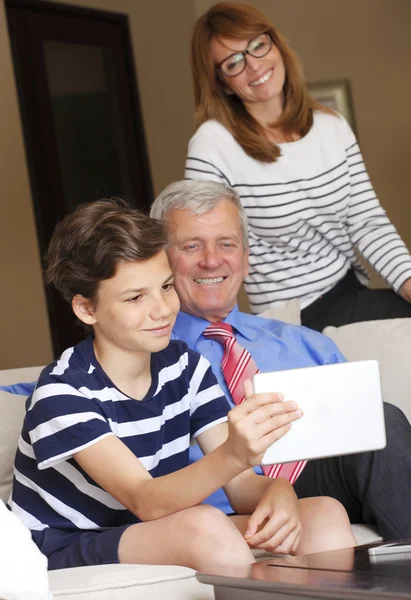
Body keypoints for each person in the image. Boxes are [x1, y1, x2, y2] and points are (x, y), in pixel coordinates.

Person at [10, 199, 355, 572]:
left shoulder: (184, 367)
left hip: (156, 529)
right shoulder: (62, 393)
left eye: (166, 286)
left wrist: (278, 491)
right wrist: (237, 453)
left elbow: (240, 489)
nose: (162, 309)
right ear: (86, 309)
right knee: (203, 524)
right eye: (135, 297)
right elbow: (146, 500)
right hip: (69, 545)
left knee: (323, 514)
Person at [151, 179, 411, 540]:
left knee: (383, 420)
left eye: (226, 244)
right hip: (224, 502)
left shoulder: (307, 343)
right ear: (161, 260)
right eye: (191, 246)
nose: (211, 260)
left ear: (245, 257)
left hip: (324, 482)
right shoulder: (148, 355)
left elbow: (376, 443)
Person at [184, 1, 411, 331]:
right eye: (233, 62)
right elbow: (203, 251)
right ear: (221, 82)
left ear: (275, 43)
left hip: (350, 291)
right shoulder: (214, 144)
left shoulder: (331, 125)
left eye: (258, 45)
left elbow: (367, 222)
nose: (253, 65)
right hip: (293, 318)